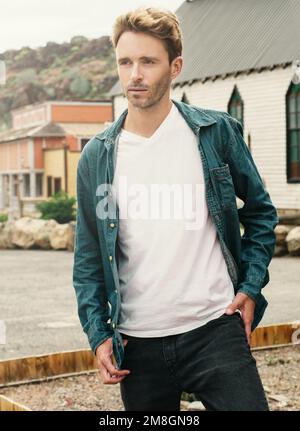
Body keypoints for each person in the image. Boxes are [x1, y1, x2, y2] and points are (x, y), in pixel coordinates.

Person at [73, 7, 279, 411]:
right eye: (125, 61)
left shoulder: (214, 133)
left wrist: (250, 288)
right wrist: (98, 334)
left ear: (176, 66)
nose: (134, 74)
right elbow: (88, 257)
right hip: (139, 345)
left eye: (148, 61)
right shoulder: (97, 157)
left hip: (215, 330)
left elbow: (260, 212)